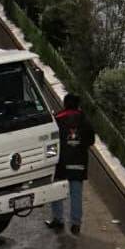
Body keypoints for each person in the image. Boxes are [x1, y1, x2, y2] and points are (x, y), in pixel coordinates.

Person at [47, 93, 95, 235]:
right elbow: (91, 140)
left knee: (57, 191)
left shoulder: (57, 119)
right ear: (78, 105)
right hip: (78, 162)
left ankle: (58, 219)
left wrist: (50, 160)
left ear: (65, 104)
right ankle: (76, 224)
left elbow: (51, 142)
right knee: (76, 194)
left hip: (60, 163)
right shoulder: (84, 120)